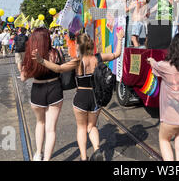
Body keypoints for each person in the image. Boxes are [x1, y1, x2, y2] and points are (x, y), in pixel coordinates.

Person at [32, 28, 125, 161]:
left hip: (80, 98)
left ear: (78, 46)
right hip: (96, 97)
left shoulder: (77, 61)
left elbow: (58, 68)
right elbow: (116, 54)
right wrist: (120, 38)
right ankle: (97, 149)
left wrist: (41, 61)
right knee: (92, 126)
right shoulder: (98, 58)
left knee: (81, 128)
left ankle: (83, 157)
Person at [147, 32, 179, 161]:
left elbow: (155, 65)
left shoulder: (166, 67)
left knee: (164, 140)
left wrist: (151, 60)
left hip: (171, 116)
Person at [21, 28, 64, 161]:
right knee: (51, 129)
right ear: (48, 39)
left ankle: (38, 153)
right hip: (55, 89)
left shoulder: (30, 55)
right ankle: (46, 159)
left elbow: (23, 77)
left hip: (38, 90)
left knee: (40, 123)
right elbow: (61, 70)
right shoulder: (56, 53)